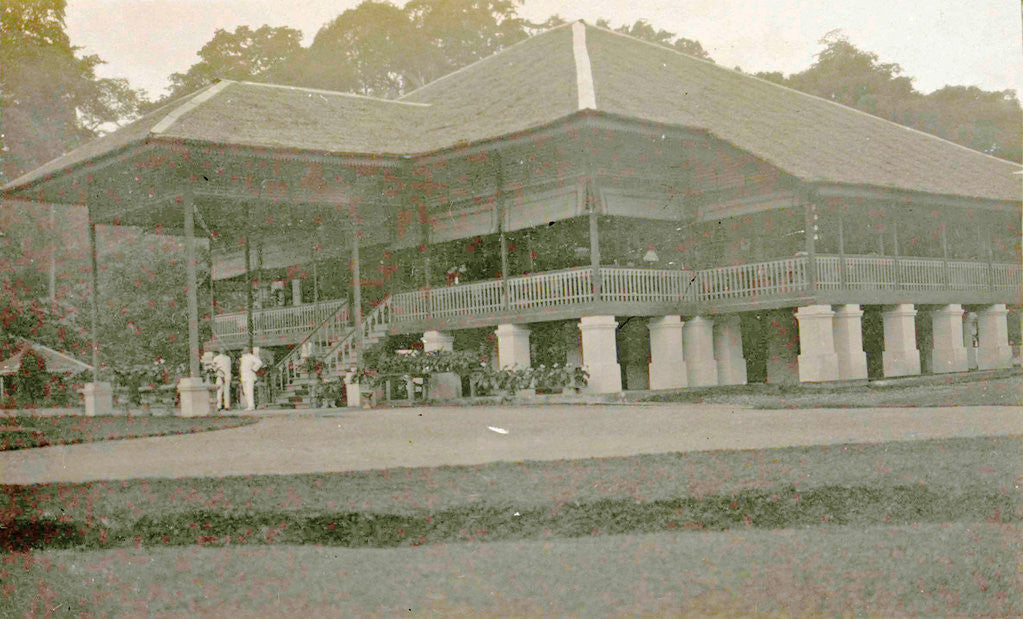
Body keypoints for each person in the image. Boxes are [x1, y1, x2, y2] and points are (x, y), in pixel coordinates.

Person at [239, 347, 263, 411]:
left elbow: (259, 362)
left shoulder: (251, 357)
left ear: (248, 350)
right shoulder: (243, 357)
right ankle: (249, 405)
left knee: (249, 391)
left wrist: (254, 368)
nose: (243, 350)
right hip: (244, 376)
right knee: (245, 391)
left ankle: (251, 406)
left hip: (250, 376)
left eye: (245, 349)